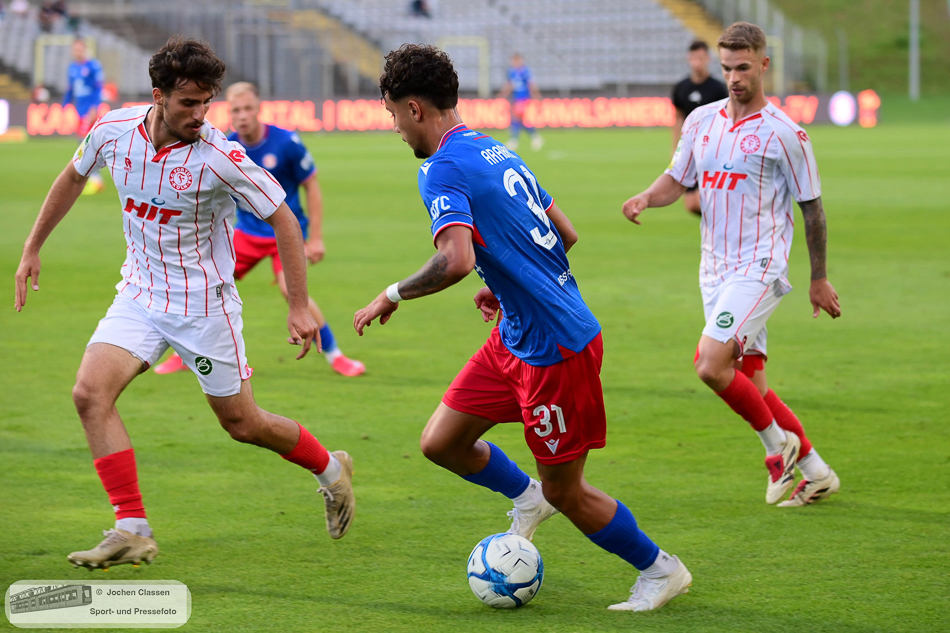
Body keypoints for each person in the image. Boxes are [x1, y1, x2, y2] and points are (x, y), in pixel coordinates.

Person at [355, 44, 691, 612]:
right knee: (441, 443)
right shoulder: (495, 149)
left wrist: (392, 295)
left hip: (556, 348)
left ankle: (661, 570)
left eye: (392, 114)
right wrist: (508, 280)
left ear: (414, 108)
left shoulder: (440, 169)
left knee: (568, 490)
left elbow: (455, 261)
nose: (394, 128)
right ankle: (528, 499)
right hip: (514, 332)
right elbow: (566, 232)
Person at [14, 37, 356, 570]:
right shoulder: (112, 130)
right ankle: (132, 528)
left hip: (204, 307)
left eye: (206, 102)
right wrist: (32, 247)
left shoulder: (220, 157)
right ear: (158, 96)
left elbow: (285, 219)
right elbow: (73, 176)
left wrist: (298, 305)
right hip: (139, 294)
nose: (200, 114)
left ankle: (331, 469)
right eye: (188, 102)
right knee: (89, 394)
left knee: (243, 424)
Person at [621, 22, 841, 507]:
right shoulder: (702, 121)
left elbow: (813, 209)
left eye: (743, 67)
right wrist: (646, 197)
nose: (735, 77)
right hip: (714, 269)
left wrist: (819, 277)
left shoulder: (786, 134)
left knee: (709, 364)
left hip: (759, 268)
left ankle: (777, 449)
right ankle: (817, 472)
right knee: (751, 380)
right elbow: (676, 179)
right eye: (727, 68)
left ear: (764, 64)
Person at [153, 82, 365, 378]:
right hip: (247, 233)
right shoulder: (225, 146)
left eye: (247, 109)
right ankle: (183, 352)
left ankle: (335, 355)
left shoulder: (286, 142)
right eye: (236, 110)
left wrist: (316, 238)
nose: (242, 116)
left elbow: (312, 185)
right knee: (203, 283)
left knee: (290, 290)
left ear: (259, 109)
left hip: (284, 234)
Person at [671, 40, 728, 216]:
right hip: (690, 151)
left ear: (708, 59)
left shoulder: (718, 88)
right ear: (688, 58)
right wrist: (675, 149)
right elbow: (678, 118)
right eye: (694, 58)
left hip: (712, 151)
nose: (697, 62)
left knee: (705, 198)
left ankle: (724, 222)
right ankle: (721, 221)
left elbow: (727, 119)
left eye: (701, 58)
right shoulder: (681, 87)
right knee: (691, 204)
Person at [63, 38, 105, 194]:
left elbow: (99, 89)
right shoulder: (72, 68)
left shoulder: (93, 66)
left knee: (86, 143)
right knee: (83, 143)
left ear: (85, 50)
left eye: (80, 49)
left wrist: (95, 107)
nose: (78, 52)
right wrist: (65, 105)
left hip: (90, 110)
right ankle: (96, 178)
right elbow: (70, 89)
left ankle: (96, 180)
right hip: (79, 110)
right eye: (75, 49)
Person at [497, 53, 542, 152]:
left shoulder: (525, 71)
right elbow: (509, 85)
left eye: (516, 60)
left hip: (524, 98)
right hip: (516, 98)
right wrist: (503, 94)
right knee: (519, 120)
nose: (514, 62)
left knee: (517, 118)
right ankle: (534, 137)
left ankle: (515, 140)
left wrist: (536, 95)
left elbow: (531, 84)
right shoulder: (511, 72)